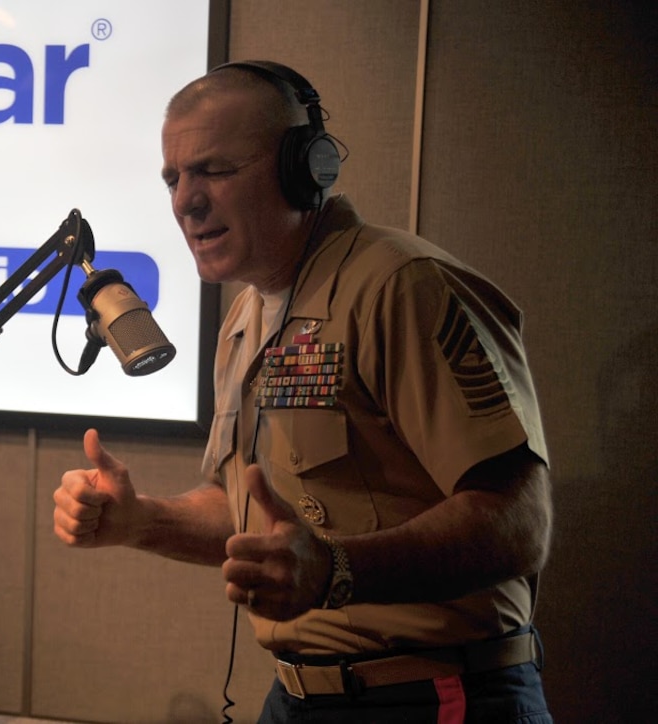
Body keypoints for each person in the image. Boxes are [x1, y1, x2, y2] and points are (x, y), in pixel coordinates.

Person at [52, 60, 553, 723]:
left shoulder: (403, 287)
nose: (186, 201)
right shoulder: (245, 318)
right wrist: (142, 520)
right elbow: (258, 517)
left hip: (427, 696)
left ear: (305, 167)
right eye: (174, 178)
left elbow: (519, 520)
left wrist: (337, 569)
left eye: (215, 170)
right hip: (297, 698)